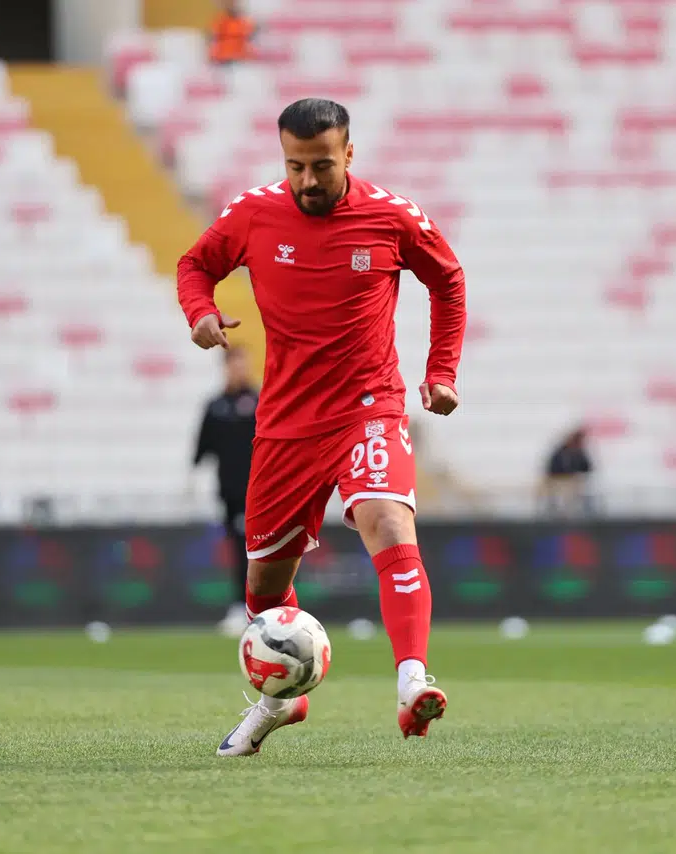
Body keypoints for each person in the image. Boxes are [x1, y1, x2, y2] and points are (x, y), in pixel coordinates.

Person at [177, 98, 467, 756]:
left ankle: (412, 679)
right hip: (285, 424)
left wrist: (441, 370)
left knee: (388, 521)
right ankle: (283, 699)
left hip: (369, 405)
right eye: (295, 166)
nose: (308, 180)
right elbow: (194, 265)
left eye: (322, 166)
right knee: (264, 589)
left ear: (350, 155)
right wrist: (200, 313)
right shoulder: (255, 213)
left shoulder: (391, 216)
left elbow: (447, 280)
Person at [191, 346, 259, 637]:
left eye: (241, 364)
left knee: (259, 550)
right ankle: (241, 606)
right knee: (239, 549)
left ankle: (256, 607)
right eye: (233, 364)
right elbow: (201, 449)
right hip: (230, 493)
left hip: (260, 491)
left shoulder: (259, 402)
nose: (237, 370)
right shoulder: (215, 406)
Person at [539, 426, 595, 516]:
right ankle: (557, 513)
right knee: (567, 490)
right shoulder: (562, 451)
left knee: (583, 488)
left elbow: (588, 467)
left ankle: (586, 513)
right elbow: (552, 468)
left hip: (572, 482)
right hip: (558, 481)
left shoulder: (580, 452)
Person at [207, 0, 254, 66]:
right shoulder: (221, 21)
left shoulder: (243, 22)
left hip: (240, 60)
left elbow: (249, 39)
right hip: (222, 60)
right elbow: (213, 40)